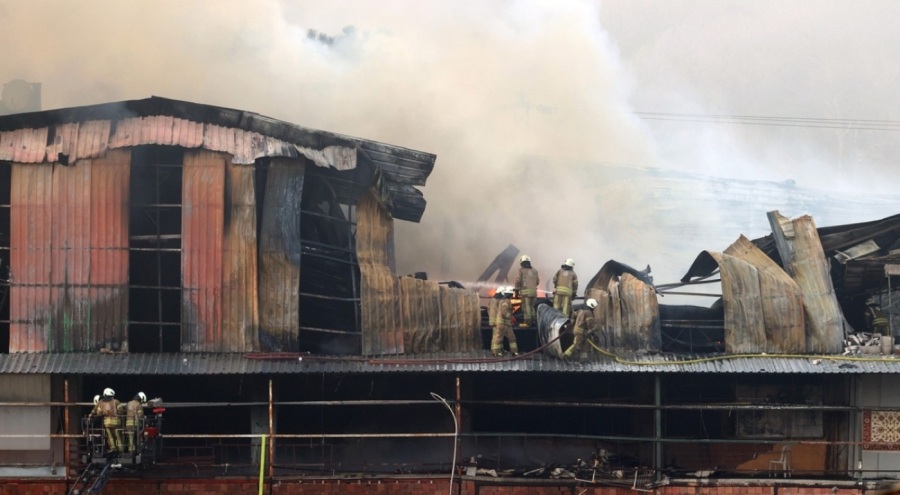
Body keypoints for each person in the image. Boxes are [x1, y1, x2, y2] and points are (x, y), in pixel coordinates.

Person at [91, 388, 122, 453]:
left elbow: (99, 413)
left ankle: (113, 449)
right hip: (116, 422)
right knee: (118, 436)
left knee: (110, 437)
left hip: (107, 423)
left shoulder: (101, 403)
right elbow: (120, 411)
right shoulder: (116, 401)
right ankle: (120, 450)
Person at [491, 286, 520, 357]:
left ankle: (514, 352)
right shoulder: (505, 301)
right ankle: (496, 352)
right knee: (499, 338)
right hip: (502, 323)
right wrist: (510, 316)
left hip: (507, 323)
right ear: (510, 294)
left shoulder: (505, 301)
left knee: (512, 337)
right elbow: (504, 312)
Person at [514, 255, 540, 327]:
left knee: (526, 307)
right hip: (534, 292)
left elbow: (518, 281)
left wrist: (516, 291)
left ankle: (527, 323)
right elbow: (537, 282)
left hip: (525, 293)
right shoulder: (535, 271)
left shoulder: (521, 270)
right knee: (532, 307)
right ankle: (534, 321)